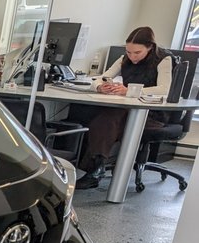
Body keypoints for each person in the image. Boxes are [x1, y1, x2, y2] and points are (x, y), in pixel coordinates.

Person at [74, 26, 174, 189]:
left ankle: (95, 169)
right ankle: (97, 167)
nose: (132, 56)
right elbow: (102, 77)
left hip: (151, 114)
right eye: (129, 52)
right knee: (105, 117)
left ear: (150, 47)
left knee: (109, 119)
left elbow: (164, 89)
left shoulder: (164, 60)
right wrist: (101, 86)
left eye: (137, 52)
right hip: (125, 111)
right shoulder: (124, 59)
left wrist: (130, 90)